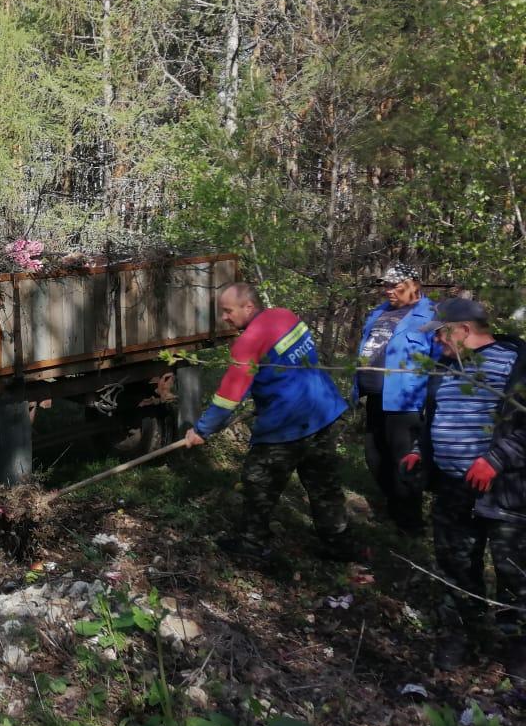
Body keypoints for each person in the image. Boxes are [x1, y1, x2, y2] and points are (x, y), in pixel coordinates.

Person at [184, 282, 354, 561]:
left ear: (248, 306)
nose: (224, 318)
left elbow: (228, 397)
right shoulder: (286, 316)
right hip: (323, 413)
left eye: (228, 311)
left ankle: (252, 546)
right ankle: (340, 548)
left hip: (286, 426)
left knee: (258, 483)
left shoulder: (248, 342)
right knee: (325, 487)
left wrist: (202, 430)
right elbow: (290, 363)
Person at [401, 299, 526, 674]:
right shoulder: (445, 366)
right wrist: (420, 450)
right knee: (454, 564)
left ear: (464, 330)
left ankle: (517, 650)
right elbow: (434, 417)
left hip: (506, 490)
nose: (436, 344)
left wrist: (496, 459)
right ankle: (460, 636)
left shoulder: (517, 366)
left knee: (514, 571)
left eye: (440, 334)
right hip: (453, 488)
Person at [353, 263, 441, 533]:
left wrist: (432, 402)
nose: (388, 290)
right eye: (385, 284)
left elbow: (439, 362)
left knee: (405, 460)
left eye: (394, 284)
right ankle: (393, 505)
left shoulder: (432, 315)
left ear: (414, 283)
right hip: (376, 397)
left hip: (405, 400)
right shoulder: (378, 312)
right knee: (374, 455)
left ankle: (410, 523)